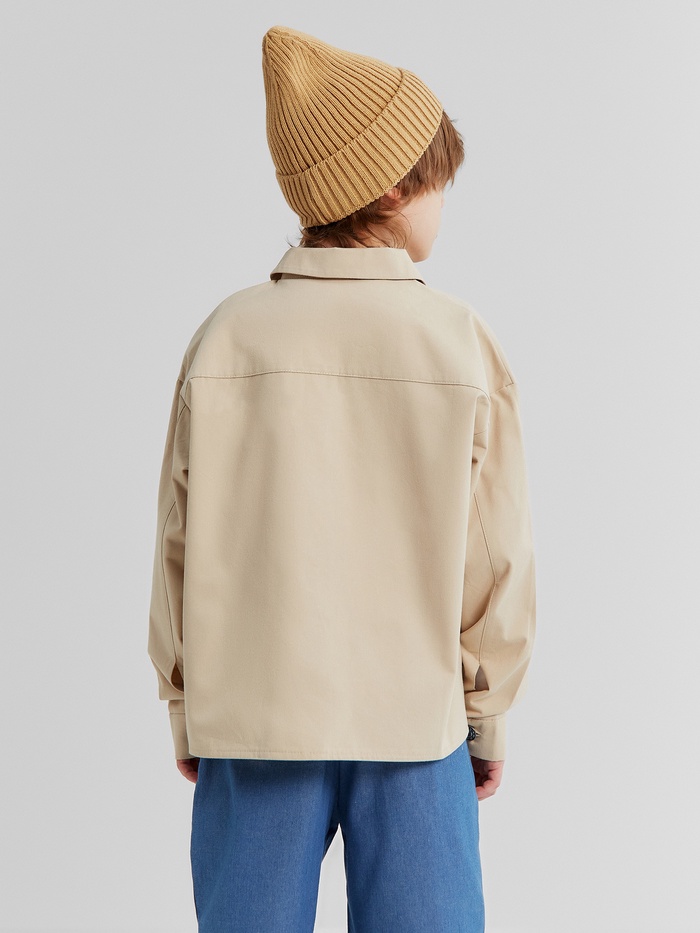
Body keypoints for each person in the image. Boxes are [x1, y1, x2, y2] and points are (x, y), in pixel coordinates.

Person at [147, 24, 536, 933]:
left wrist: (187, 702)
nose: (444, 204)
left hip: (253, 719)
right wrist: (486, 714)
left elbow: (177, 542)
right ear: (393, 188)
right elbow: (495, 556)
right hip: (417, 726)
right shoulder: (459, 342)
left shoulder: (226, 337)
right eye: (440, 181)